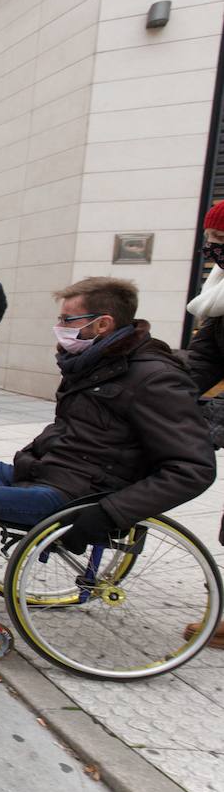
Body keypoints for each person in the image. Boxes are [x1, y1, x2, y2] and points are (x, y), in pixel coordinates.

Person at [0, 276, 216, 613]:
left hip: (77, 493)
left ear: (103, 324)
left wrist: (111, 513)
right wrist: (33, 454)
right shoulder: (92, 363)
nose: (60, 327)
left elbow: (192, 468)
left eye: (67, 319)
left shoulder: (153, 378)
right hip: (43, 472)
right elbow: (70, 429)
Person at [181, 199, 224, 648]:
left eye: (222, 243)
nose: (214, 252)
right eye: (211, 244)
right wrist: (170, 397)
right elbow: (206, 357)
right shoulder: (218, 296)